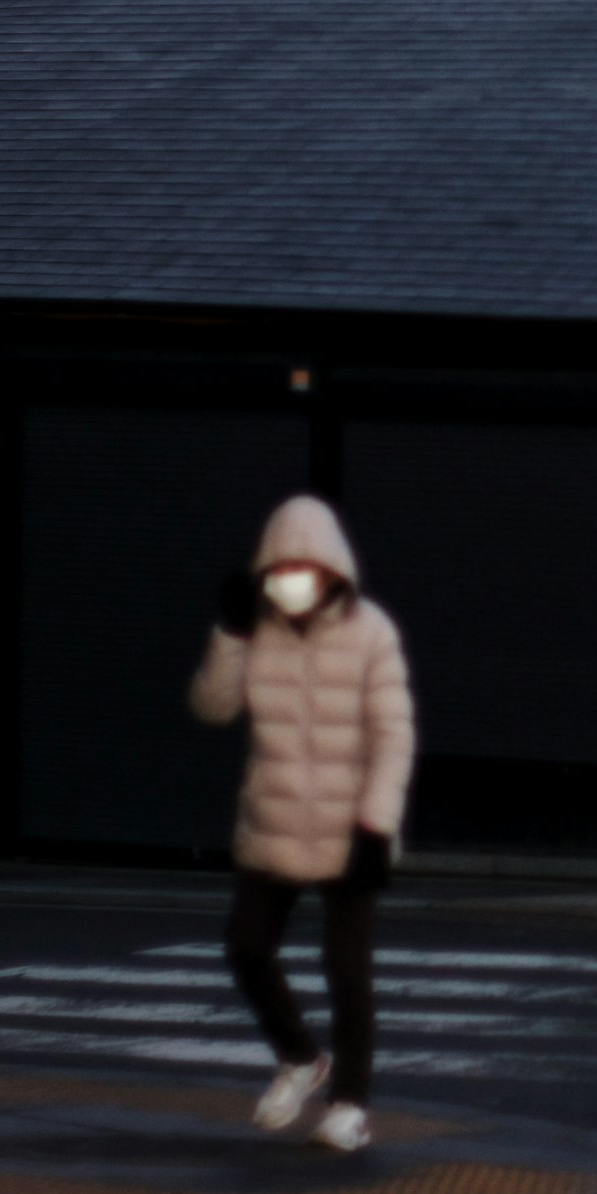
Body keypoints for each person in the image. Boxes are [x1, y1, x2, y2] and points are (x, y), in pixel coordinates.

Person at [191, 494, 413, 1152]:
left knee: (348, 969)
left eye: (303, 566)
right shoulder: (257, 628)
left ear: (330, 569)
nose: (291, 578)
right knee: (246, 945)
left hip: (351, 826)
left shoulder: (371, 631)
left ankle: (349, 1103)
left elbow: (392, 734)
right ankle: (298, 1055)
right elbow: (213, 704)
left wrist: (376, 823)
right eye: (279, 566)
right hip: (276, 817)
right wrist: (228, 634)